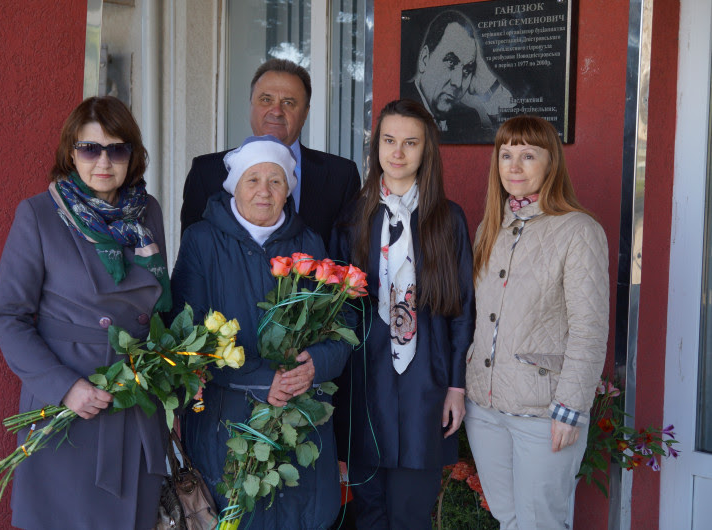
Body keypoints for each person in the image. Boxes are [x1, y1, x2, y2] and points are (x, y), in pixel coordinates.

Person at [0, 96, 171, 530]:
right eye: (90, 148)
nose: (103, 161)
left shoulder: (147, 213)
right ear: (71, 153)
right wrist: (65, 387)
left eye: (117, 148)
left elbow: (162, 303)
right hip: (67, 411)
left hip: (134, 405)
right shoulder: (38, 215)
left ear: (133, 155)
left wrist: (177, 366)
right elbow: (7, 315)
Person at [171, 135, 351, 528]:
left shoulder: (309, 243)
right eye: (253, 180)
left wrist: (316, 364)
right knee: (237, 512)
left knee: (302, 516)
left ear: (289, 190)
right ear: (235, 186)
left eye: (276, 181)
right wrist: (261, 380)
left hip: (299, 417)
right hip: (227, 421)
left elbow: (340, 326)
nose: (264, 192)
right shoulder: (201, 241)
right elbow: (186, 332)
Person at [330, 99, 475, 529]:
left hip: (424, 384)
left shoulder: (447, 220)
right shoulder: (353, 219)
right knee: (369, 512)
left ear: (426, 150)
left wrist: (455, 387)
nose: (398, 152)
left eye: (410, 143)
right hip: (365, 384)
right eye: (389, 141)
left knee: (411, 513)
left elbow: (462, 309)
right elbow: (336, 313)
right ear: (376, 147)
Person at [465, 115, 608, 529]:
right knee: (507, 518)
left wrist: (571, 408)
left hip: (543, 411)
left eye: (528, 155)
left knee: (541, 523)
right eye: (506, 154)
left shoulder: (579, 231)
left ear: (551, 164)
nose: (514, 165)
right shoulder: (488, 229)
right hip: (484, 407)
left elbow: (589, 328)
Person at [180, 58, 361, 247]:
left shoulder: (341, 176)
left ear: (306, 112)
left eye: (289, 103)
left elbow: (346, 260)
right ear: (251, 105)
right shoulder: (206, 172)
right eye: (266, 100)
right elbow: (191, 256)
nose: (276, 111)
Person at [401, 9, 514, 144]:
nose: (458, 82)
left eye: (467, 70)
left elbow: (518, 138)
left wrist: (489, 84)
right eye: (450, 62)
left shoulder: (468, 119)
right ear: (424, 59)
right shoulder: (398, 105)